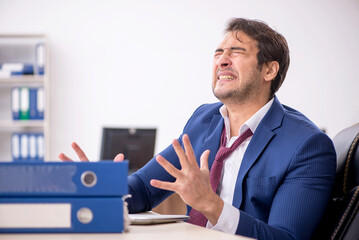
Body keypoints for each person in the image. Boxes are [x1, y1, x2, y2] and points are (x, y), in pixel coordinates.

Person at [59, 18, 336, 240]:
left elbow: (286, 237)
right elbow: (145, 187)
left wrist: (211, 206)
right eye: (218, 53)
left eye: (236, 52)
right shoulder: (204, 119)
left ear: (269, 71)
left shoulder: (307, 145)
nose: (222, 60)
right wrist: (101, 186)